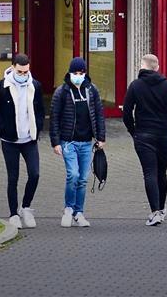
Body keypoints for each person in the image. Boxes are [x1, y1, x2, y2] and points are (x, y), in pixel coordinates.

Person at [122, 53, 167, 226]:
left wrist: (133, 132)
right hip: (164, 136)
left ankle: (155, 212)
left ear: (142, 67)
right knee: (161, 173)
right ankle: (161, 208)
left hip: (143, 135)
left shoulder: (135, 86)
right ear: (157, 67)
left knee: (149, 173)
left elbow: (126, 113)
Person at [0, 53, 45, 229]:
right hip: (10, 140)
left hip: (29, 139)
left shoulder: (35, 86)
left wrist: (38, 127)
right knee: (13, 178)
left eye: (26, 71)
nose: (23, 75)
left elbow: (40, 110)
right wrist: (4, 128)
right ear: (12, 68)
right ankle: (13, 214)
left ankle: (26, 207)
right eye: (20, 71)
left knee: (35, 174)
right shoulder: (0, 87)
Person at [49, 56, 106, 228]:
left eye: (81, 72)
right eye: (75, 72)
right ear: (69, 72)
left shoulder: (91, 90)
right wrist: (56, 142)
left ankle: (78, 212)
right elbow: (54, 118)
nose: (78, 75)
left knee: (82, 179)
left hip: (86, 142)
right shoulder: (62, 91)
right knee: (72, 175)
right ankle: (68, 209)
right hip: (69, 142)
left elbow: (99, 114)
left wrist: (101, 137)